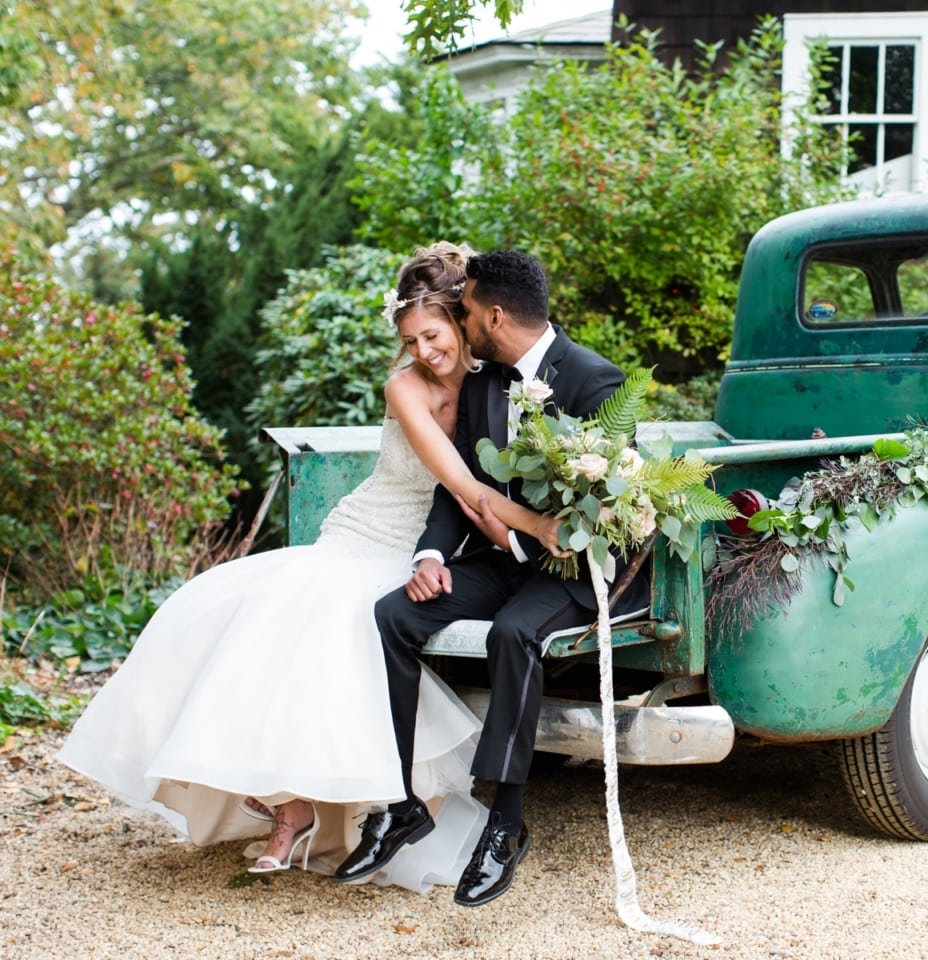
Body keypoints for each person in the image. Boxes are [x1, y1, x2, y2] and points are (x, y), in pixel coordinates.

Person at [57, 242, 564, 891]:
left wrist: (527, 528)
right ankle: (288, 796)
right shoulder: (403, 386)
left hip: (419, 546)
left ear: (460, 323)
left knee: (331, 619)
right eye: (410, 339)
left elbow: (482, 488)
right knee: (252, 605)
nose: (423, 351)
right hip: (363, 531)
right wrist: (536, 528)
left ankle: (331, 802)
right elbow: (463, 484)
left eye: (433, 334)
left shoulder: (492, 383)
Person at [332, 250, 650, 908]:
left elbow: (614, 511)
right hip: (501, 559)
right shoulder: (484, 384)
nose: (462, 318)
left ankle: (504, 823)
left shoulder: (596, 381)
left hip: (575, 567)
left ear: (494, 315)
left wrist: (560, 527)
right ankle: (400, 799)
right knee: (393, 616)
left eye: (468, 310)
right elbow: (458, 495)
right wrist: (430, 558)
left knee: (512, 634)